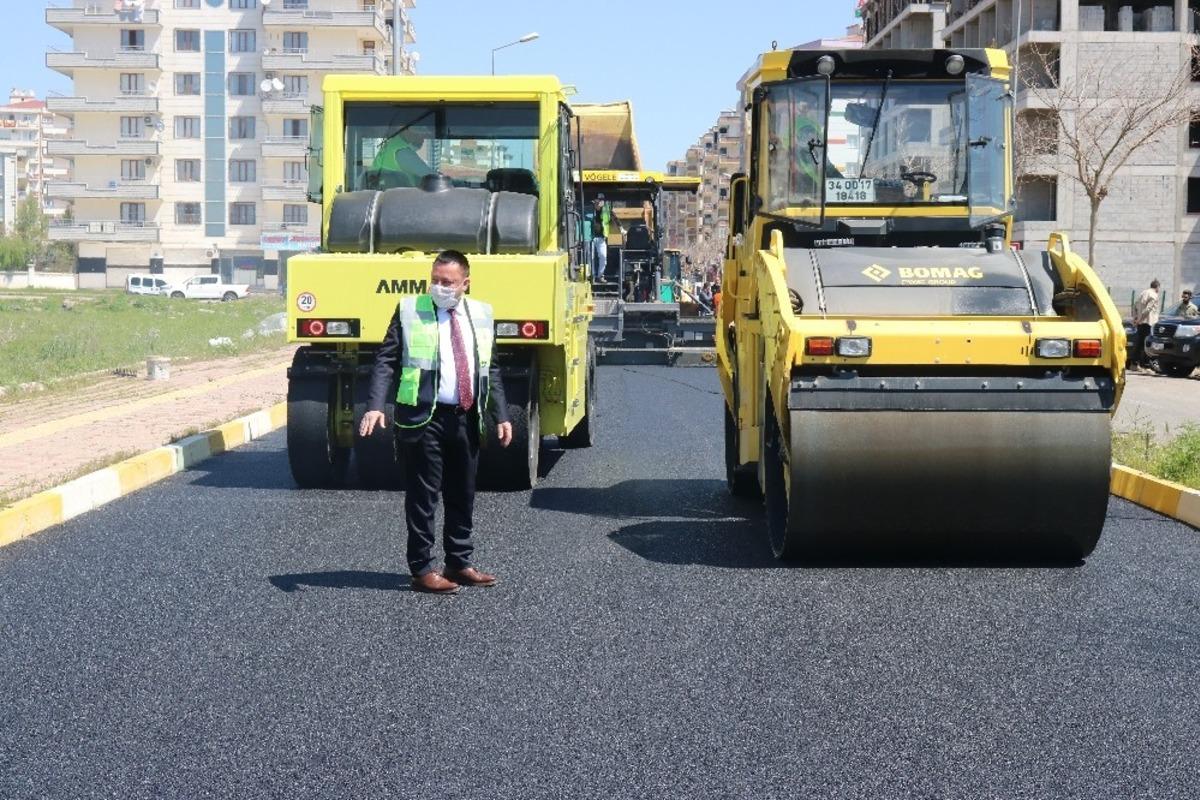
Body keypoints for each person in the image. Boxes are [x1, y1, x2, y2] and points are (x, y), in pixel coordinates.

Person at [360, 250, 513, 595]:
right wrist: (375, 405)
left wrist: (501, 415)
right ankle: (422, 568)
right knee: (423, 496)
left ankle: (458, 562)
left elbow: (492, 368)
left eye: (448, 282)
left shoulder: (482, 314)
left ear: (465, 283)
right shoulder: (410, 310)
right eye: (435, 280)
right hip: (423, 418)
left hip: (466, 417)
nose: (440, 287)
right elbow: (386, 360)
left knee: (463, 492)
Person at [1132, 279, 1161, 369]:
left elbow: (1135, 305)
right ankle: (1145, 365)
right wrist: (1140, 319)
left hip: (1141, 323)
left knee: (1139, 344)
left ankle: (1134, 364)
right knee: (1148, 345)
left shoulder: (1143, 293)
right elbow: (1148, 310)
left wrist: (1136, 318)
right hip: (1149, 323)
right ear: (1157, 287)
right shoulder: (1154, 295)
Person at [590, 198, 609, 280]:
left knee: (603, 256)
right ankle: (591, 275)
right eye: (595, 203)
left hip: (601, 238)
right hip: (590, 238)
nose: (597, 205)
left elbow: (613, 217)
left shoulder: (605, 212)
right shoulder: (589, 211)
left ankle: (600, 275)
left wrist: (622, 229)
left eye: (598, 203)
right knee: (590, 257)